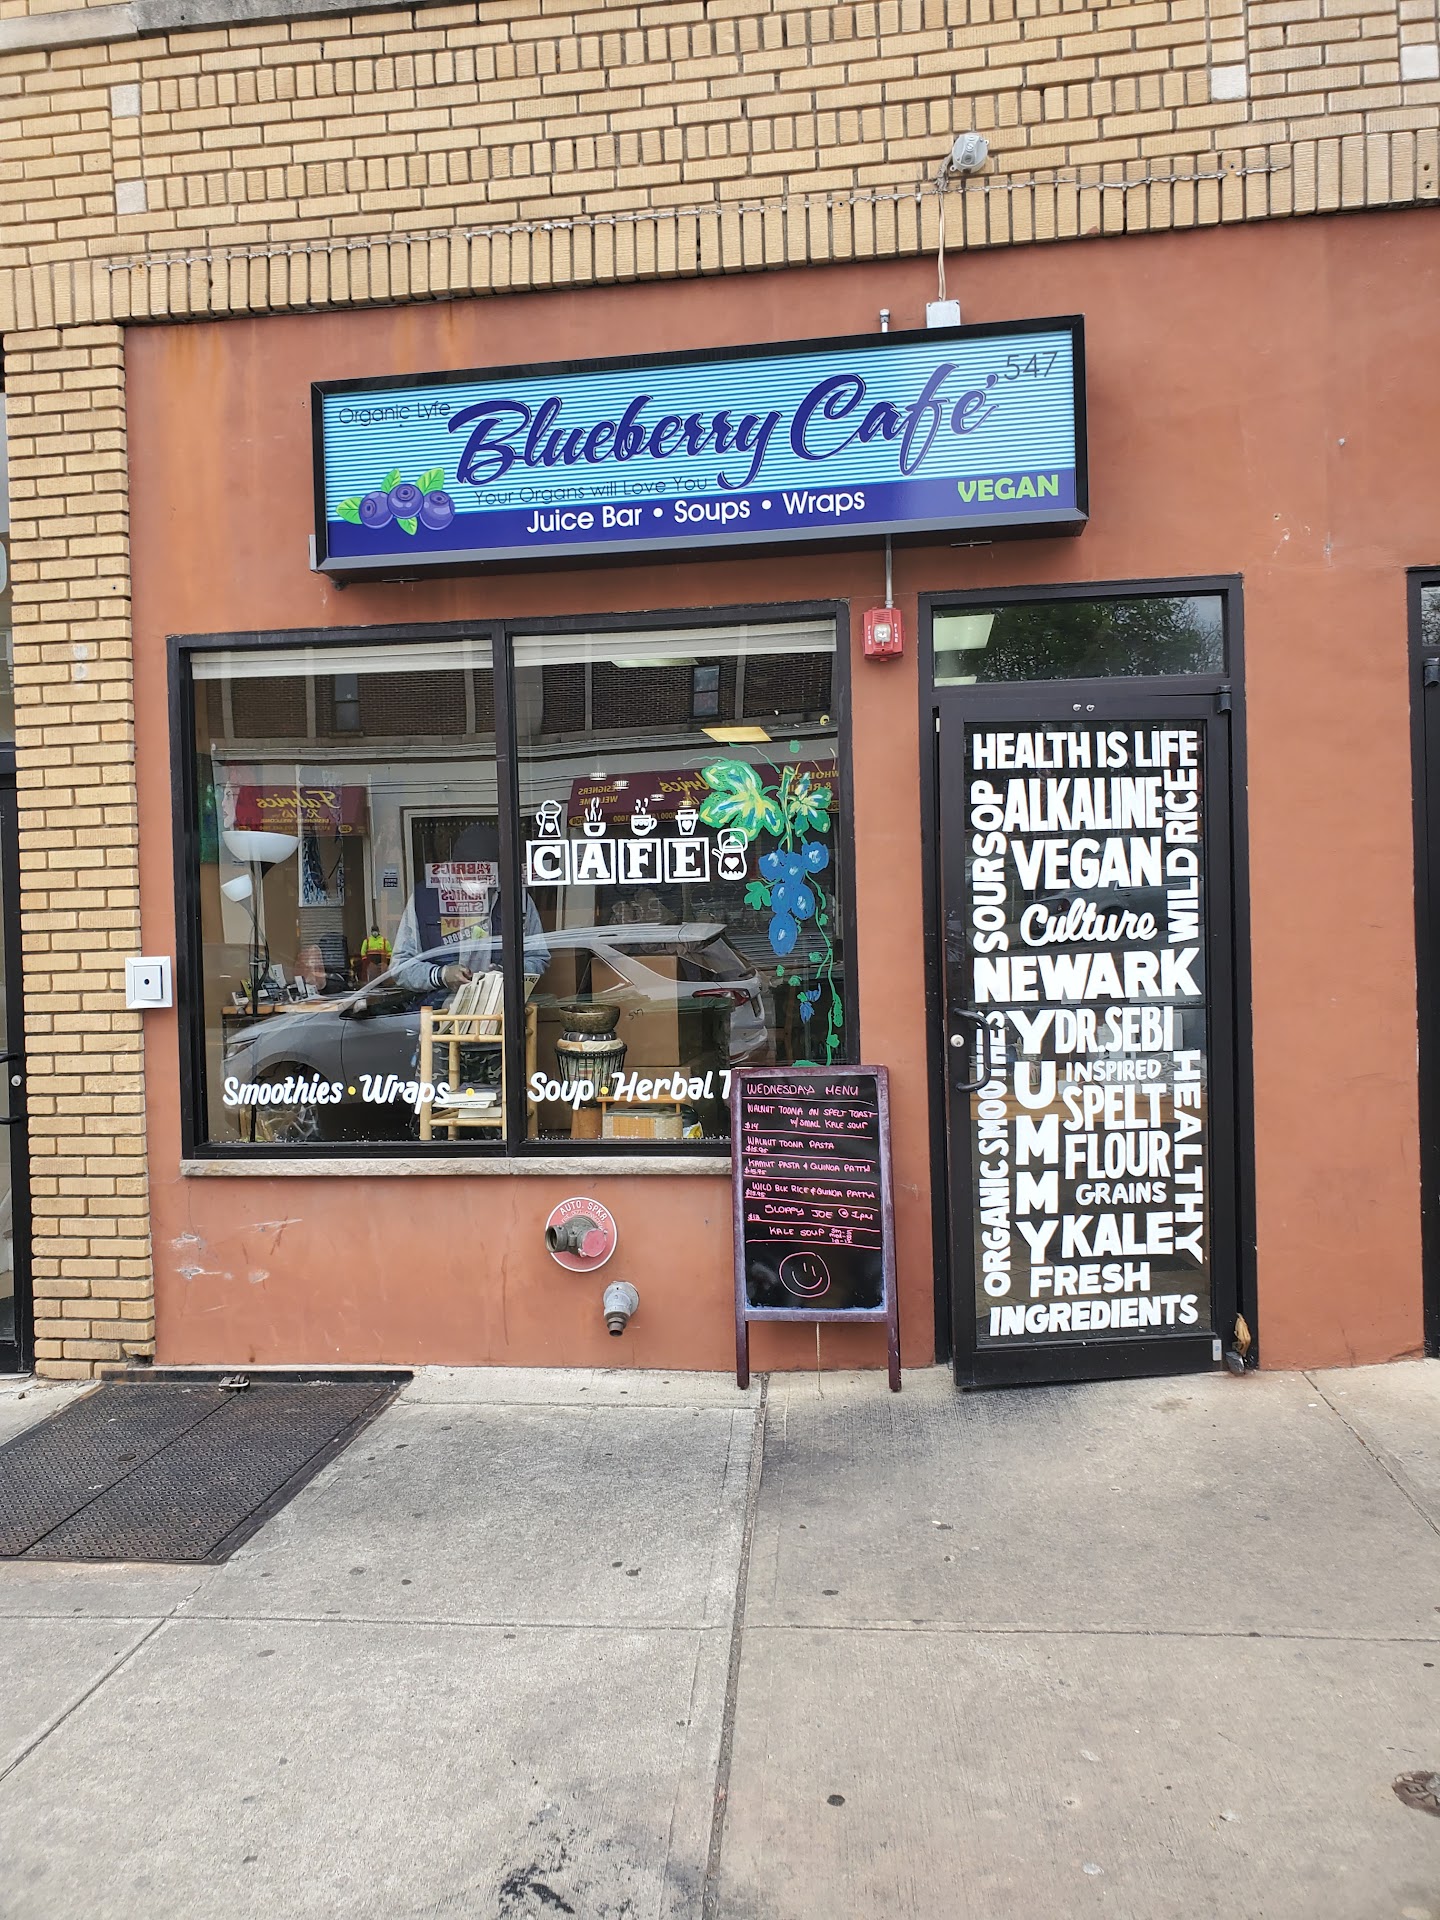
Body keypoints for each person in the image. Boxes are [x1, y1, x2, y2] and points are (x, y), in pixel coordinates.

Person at [390, 823, 550, 995]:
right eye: (469, 873)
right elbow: (401, 966)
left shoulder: (516, 899)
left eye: (485, 875)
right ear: (454, 868)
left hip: (498, 1004)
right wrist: (442, 975)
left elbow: (538, 957)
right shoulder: (425, 898)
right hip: (440, 1007)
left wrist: (506, 973)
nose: (477, 880)